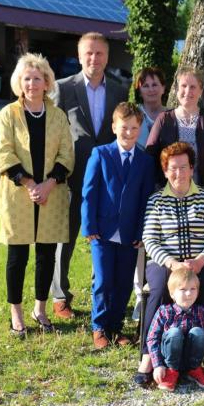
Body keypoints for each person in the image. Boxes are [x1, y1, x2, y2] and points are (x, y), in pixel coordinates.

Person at [0, 53, 75, 337]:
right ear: (20, 82)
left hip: (52, 195)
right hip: (19, 196)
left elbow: (67, 153)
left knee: (46, 255)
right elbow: (3, 153)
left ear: (46, 82)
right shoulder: (9, 114)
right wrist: (29, 184)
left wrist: (49, 184)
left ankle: (39, 309)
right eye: (26, 78)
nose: (31, 84)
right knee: (17, 256)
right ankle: (16, 314)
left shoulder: (57, 115)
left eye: (37, 78)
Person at [50, 32, 128, 319]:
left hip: (107, 178)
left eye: (100, 54)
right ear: (79, 55)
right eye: (89, 53)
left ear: (107, 57)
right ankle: (60, 295)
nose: (94, 59)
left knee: (104, 237)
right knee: (65, 236)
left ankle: (101, 292)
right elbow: (54, 132)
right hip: (72, 173)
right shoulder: (62, 87)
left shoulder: (120, 90)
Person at [134, 142, 204, 387]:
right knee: (159, 288)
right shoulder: (156, 201)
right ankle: (148, 357)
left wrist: (201, 260)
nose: (178, 173)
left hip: (199, 261)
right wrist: (172, 263)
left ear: (192, 168)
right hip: (166, 262)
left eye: (183, 167)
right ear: (165, 171)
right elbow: (150, 239)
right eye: (173, 168)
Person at [82, 103, 155, 348]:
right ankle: (99, 326)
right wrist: (89, 226)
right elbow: (89, 193)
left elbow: (145, 199)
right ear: (114, 127)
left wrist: (140, 232)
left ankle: (115, 326)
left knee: (124, 282)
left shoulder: (145, 161)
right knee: (103, 280)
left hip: (129, 233)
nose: (129, 133)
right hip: (101, 232)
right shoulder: (100, 154)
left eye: (134, 128)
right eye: (124, 128)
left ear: (140, 129)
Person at [145, 67, 204, 200]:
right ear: (177, 90)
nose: (187, 91)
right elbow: (150, 155)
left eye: (193, 87)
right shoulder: (164, 119)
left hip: (202, 195)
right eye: (183, 86)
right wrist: (156, 189)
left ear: (201, 91)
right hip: (167, 194)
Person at [130, 67, 168, 322]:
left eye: (156, 84)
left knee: (161, 241)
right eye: (146, 85)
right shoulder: (134, 115)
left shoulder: (172, 116)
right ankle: (138, 297)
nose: (151, 89)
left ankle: (166, 293)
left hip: (166, 189)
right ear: (139, 89)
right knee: (139, 245)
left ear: (164, 88)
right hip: (138, 188)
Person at [147, 268, 204, 392]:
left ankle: (195, 370)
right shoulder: (164, 311)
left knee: (199, 332)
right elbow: (152, 338)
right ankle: (172, 372)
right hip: (169, 360)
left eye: (193, 289)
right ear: (172, 294)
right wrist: (157, 365)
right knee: (174, 332)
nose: (189, 294)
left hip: (191, 359)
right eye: (183, 289)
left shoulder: (201, 311)